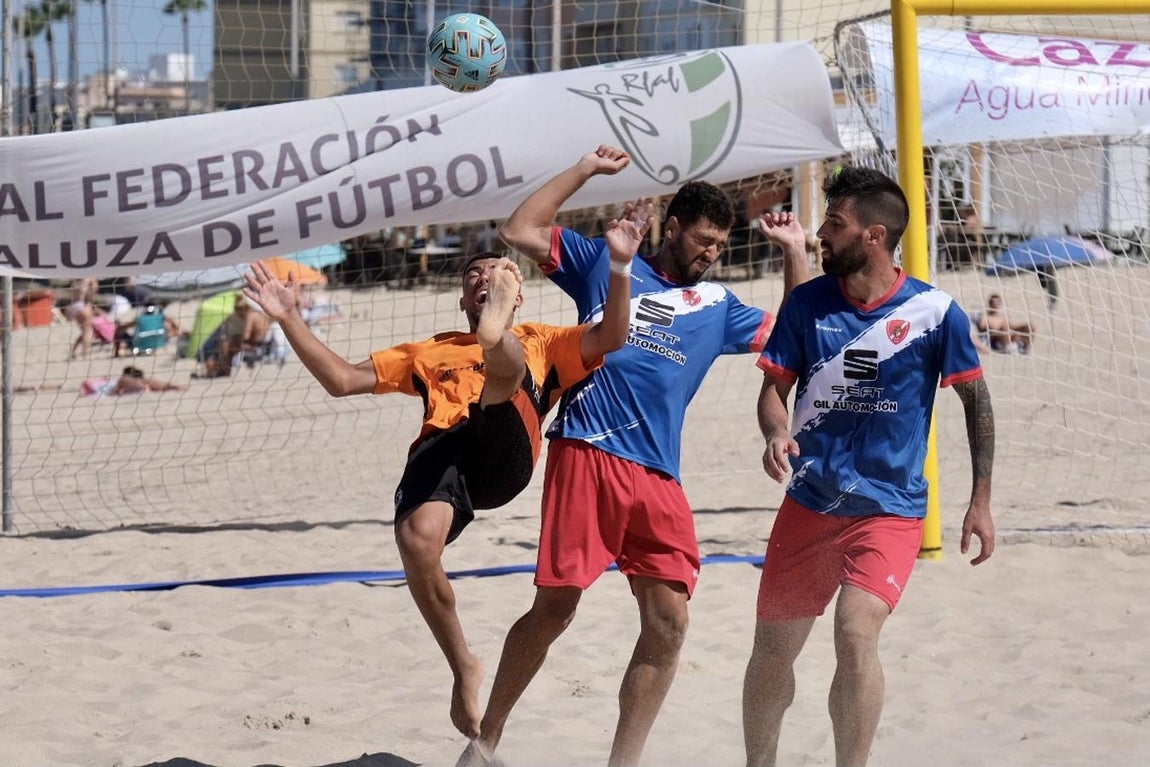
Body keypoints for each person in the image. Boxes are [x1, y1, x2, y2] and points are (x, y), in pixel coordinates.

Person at [463, 145, 809, 767]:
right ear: (669, 228)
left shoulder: (719, 307)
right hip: (588, 453)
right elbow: (519, 230)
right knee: (555, 609)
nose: (710, 253)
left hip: (658, 474)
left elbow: (798, 334)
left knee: (670, 623)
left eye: (720, 246)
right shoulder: (605, 263)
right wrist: (586, 171)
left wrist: (794, 253)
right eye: (702, 240)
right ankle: (485, 741)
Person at [241, 214, 643, 740]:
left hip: (507, 447)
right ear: (461, 301)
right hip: (448, 446)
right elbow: (341, 380)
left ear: (518, 296)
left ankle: (495, 340)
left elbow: (614, 333)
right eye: (474, 277)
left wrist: (619, 263)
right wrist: (289, 317)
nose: (484, 278)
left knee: (507, 366)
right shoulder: (430, 352)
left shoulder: (547, 338)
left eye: (500, 274)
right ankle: (464, 666)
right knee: (416, 540)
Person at [742, 166, 996, 767]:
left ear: (875, 236)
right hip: (809, 504)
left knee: (855, 634)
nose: (823, 236)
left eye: (835, 225)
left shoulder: (936, 314)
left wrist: (980, 500)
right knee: (772, 654)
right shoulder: (807, 304)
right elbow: (773, 388)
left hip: (888, 510)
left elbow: (977, 402)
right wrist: (777, 431)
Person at [198, 295, 271, 378]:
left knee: (225, 344)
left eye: (239, 309)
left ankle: (225, 370)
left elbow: (246, 337)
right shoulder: (259, 314)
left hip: (255, 346)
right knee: (227, 343)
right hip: (262, 345)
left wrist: (236, 337)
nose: (238, 312)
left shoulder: (250, 315)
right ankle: (222, 368)